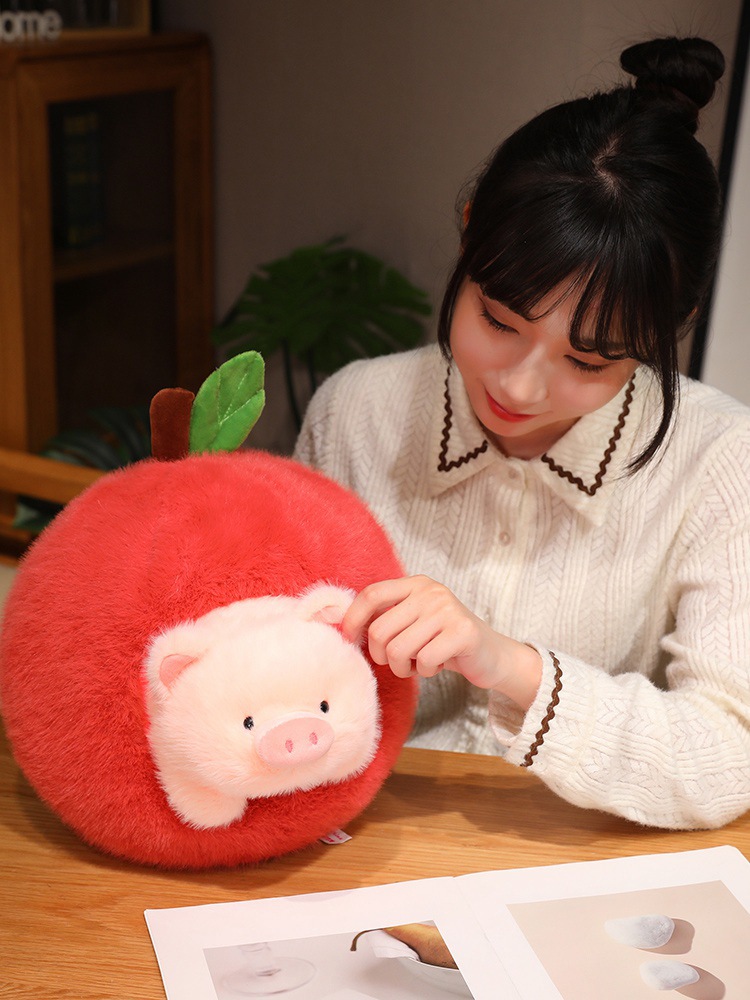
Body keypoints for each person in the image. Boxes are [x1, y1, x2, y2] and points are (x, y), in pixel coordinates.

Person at [293, 36, 750, 831]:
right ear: (470, 233)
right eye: (499, 321)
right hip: (367, 847)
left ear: (671, 325)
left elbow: (728, 753)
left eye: (588, 360)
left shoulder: (720, 460)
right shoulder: (356, 413)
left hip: (577, 861)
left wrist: (506, 664)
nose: (519, 387)